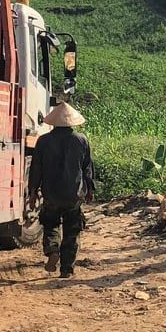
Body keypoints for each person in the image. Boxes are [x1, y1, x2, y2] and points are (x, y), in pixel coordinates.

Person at [29, 102, 95, 279]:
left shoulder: (43, 141)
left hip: (51, 192)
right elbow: (87, 168)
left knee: (50, 224)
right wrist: (89, 190)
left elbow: (36, 168)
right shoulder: (81, 140)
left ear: (54, 122)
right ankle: (67, 269)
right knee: (72, 230)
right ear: (72, 122)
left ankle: (52, 251)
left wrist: (33, 191)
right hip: (74, 193)